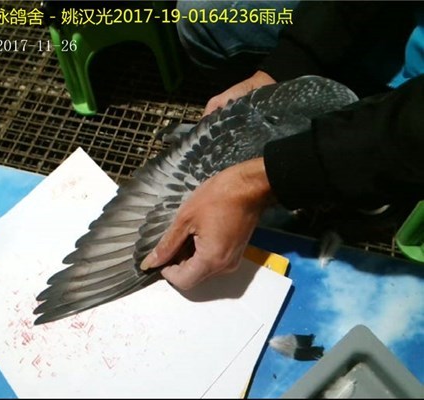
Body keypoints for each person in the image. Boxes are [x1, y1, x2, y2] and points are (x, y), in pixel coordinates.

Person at [139, 1, 424, 290]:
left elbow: (414, 126)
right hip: (398, 27)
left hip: (413, 117)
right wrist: (279, 69)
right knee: (203, 14)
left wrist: (267, 178)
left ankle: (367, 185)